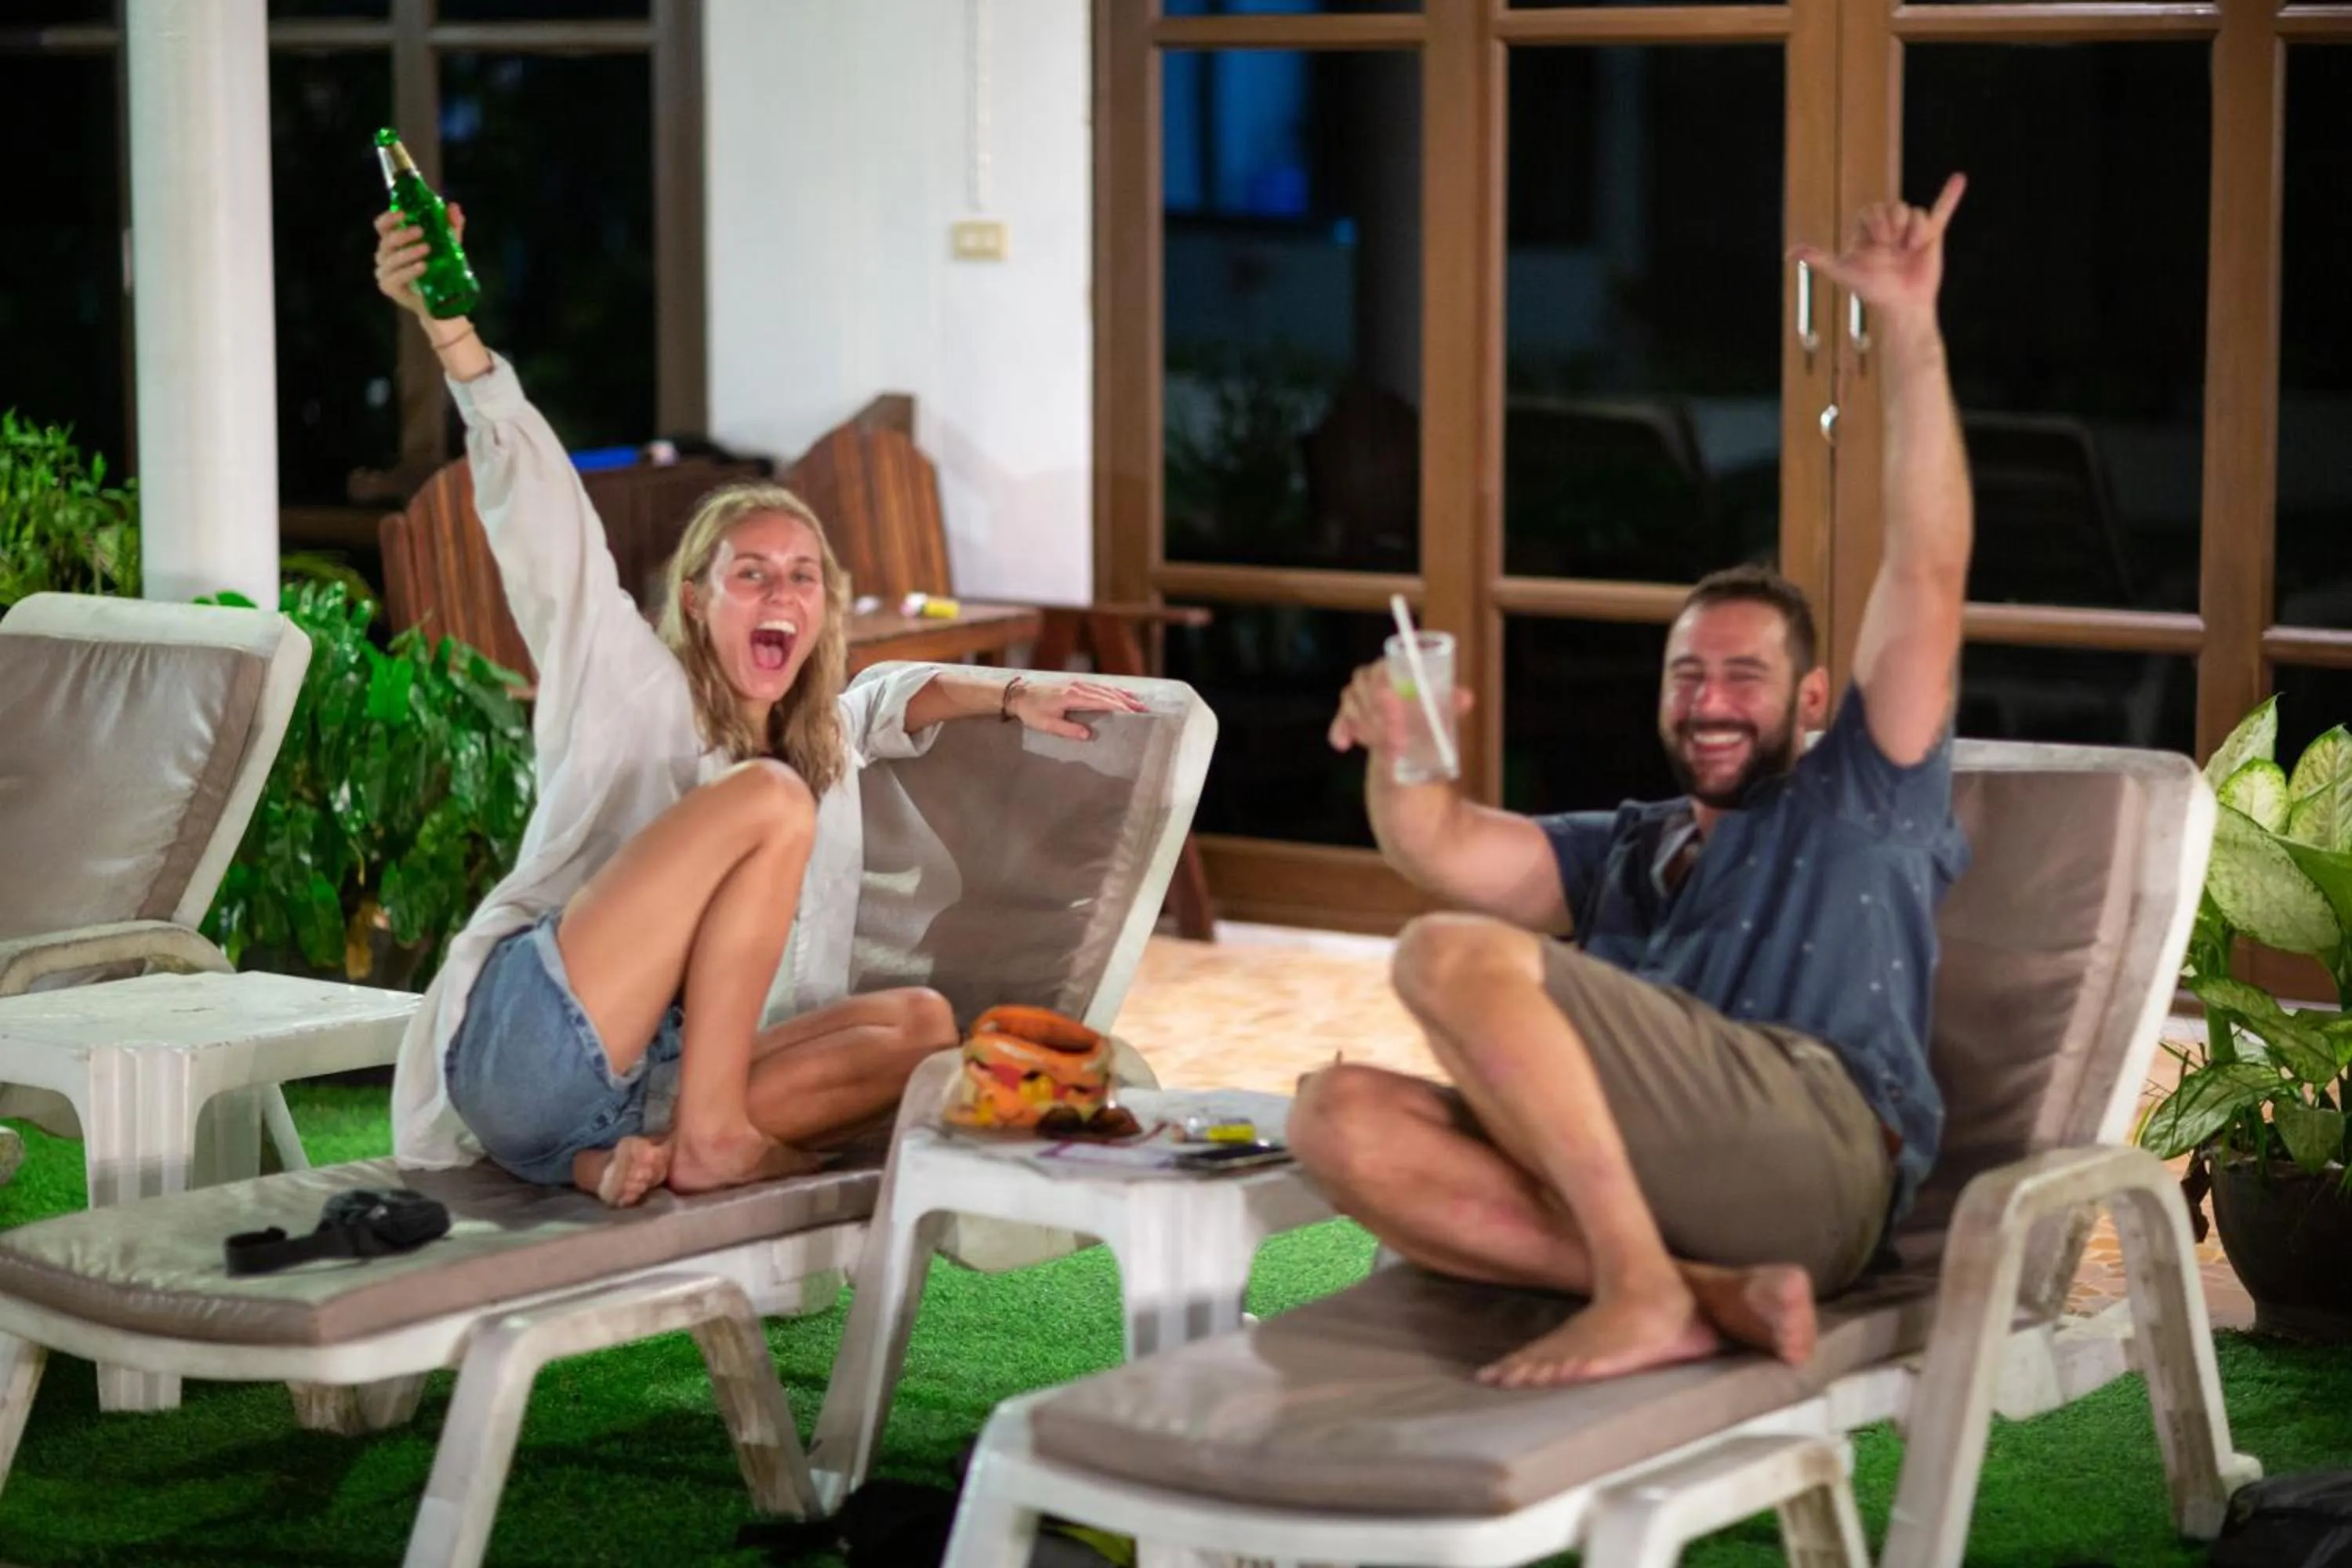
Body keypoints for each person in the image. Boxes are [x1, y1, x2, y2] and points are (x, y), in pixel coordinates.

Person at [1304, 175, 1977, 1388]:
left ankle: (1632, 1284)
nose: (1710, 700)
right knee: (1334, 1116)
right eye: (1686, 675)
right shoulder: (1631, 844)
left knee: (1441, 954)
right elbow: (1439, 845)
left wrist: (1913, 329)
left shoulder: (1862, 792)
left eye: (1744, 676)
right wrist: (1402, 745)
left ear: (1815, 704)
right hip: (1684, 1176)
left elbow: (1926, 569)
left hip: (1815, 1151)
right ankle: (1689, 1290)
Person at [374, 206, 1145, 1204]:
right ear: (695, 598)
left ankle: (621, 1153)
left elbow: (881, 701)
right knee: (773, 798)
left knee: (917, 1025)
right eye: (751, 573)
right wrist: (451, 332)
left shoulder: (809, 730)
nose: (781, 592)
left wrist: (1010, 687)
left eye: (802, 577)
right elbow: (544, 523)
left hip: (642, 1084)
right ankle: (706, 1140)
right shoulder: (625, 676)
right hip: (534, 1043)